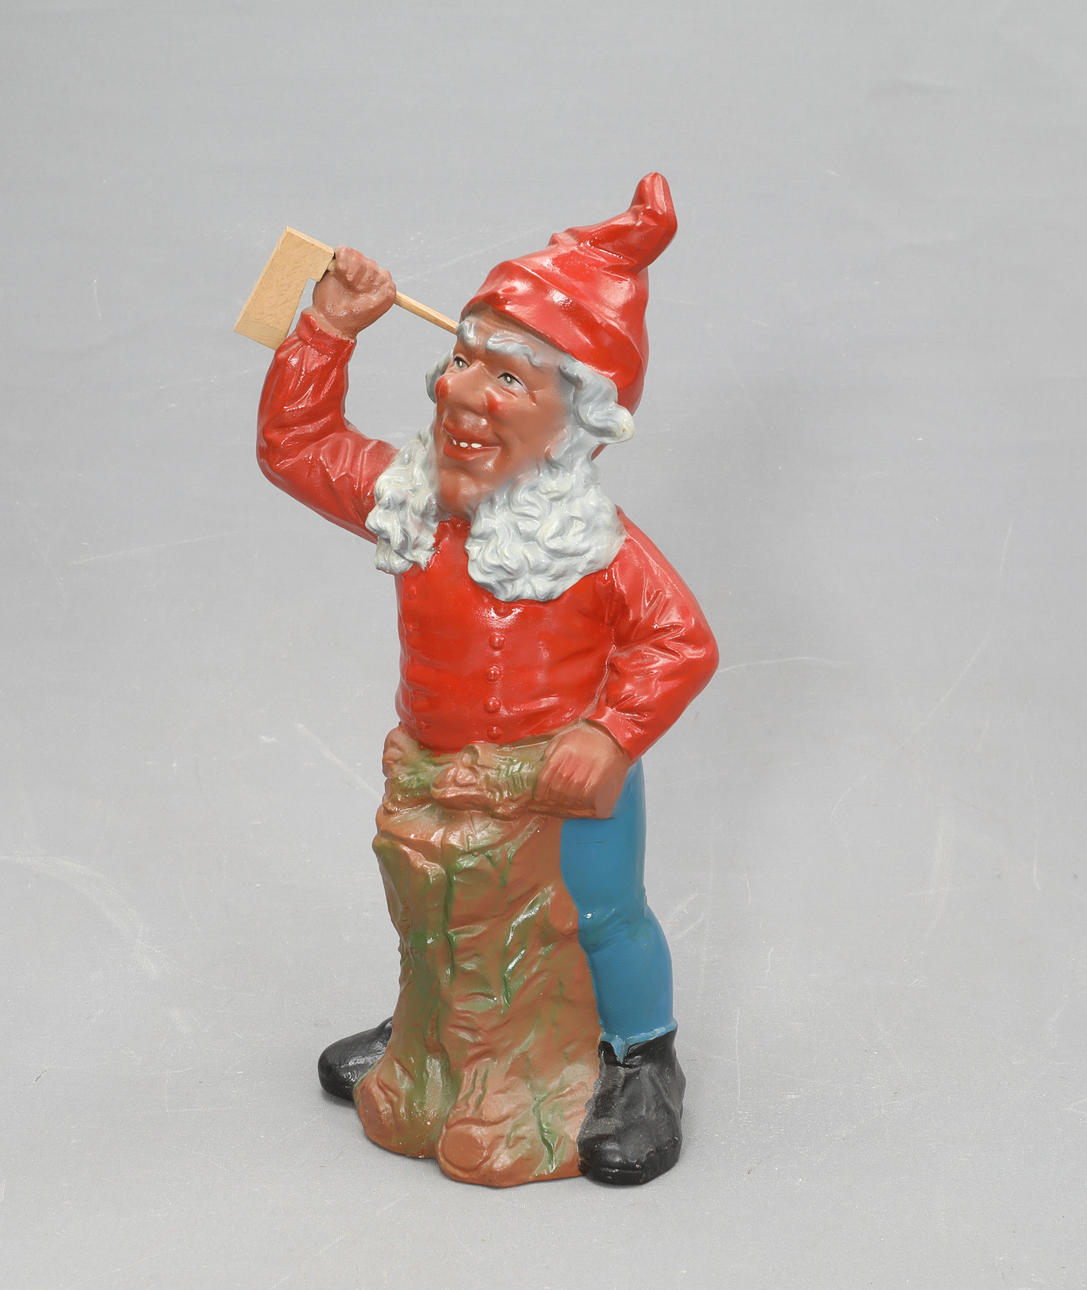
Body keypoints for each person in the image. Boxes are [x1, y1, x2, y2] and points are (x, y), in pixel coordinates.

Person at [256, 174, 717, 1185]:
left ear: (577, 419)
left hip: (559, 782)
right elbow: (295, 446)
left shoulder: (597, 546)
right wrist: (327, 332)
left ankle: (640, 1059)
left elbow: (680, 642)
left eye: (511, 377)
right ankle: (432, 1029)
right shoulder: (410, 500)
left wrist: (609, 734)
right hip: (436, 772)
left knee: (603, 916)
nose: (462, 393)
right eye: (462, 358)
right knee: (430, 910)